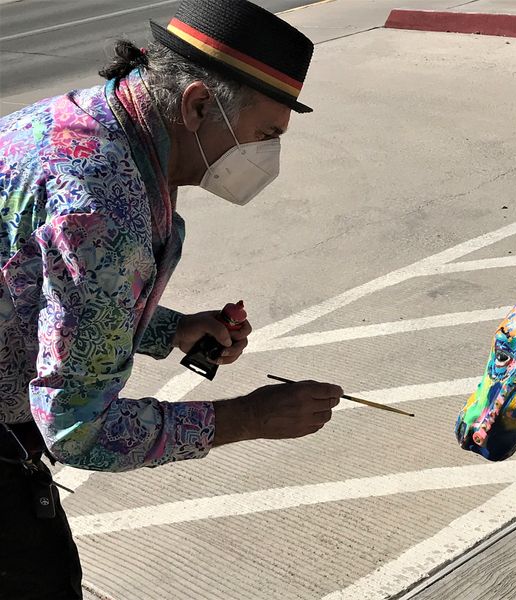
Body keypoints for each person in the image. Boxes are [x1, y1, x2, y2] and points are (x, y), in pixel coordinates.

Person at [0, 1, 342, 598]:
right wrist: (248, 418)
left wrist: (173, 329)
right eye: (266, 136)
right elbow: (80, 430)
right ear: (197, 105)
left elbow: (50, 293)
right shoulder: (105, 204)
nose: (269, 159)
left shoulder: (92, 124)